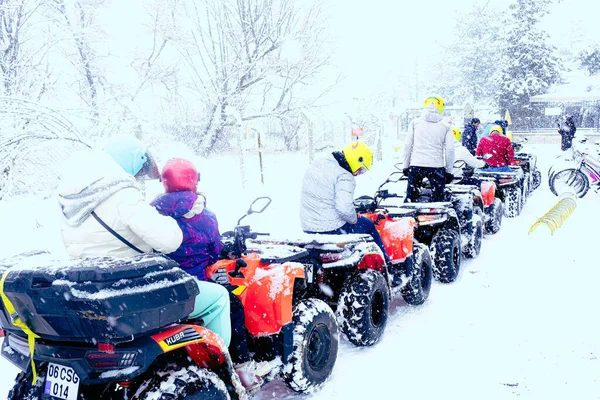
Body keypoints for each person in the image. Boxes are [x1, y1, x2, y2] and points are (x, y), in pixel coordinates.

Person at [56, 138, 233, 381]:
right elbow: (170, 240)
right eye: (138, 173)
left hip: (95, 290)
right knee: (220, 297)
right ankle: (219, 365)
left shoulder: (74, 201)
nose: (139, 179)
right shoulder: (122, 195)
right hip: (130, 291)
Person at [150, 158, 265, 389]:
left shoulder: (149, 212)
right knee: (234, 305)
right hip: (194, 285)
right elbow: (214, 254)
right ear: (194, 180)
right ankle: (240, 367)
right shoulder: (204, 216)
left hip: (160, 286)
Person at [300, 141, 391, 264]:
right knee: (368, 224)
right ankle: (386, 264)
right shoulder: (345, 176)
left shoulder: (320, 162)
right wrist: (354, 217)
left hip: (308, 226)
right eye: (362, 169)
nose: (359, 174)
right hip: (330, 228)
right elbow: (344, 209)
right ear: (356, 161)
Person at [402, 96, 455, 202]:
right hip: (436, 167)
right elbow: (450, 150)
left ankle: (409, 216)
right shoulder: (446, 125)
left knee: (410, 199)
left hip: (416, 165)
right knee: (438, 202)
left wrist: (406, 166)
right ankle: (437, 217)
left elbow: (407, 145)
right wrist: (449, 171)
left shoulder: (415, 123)